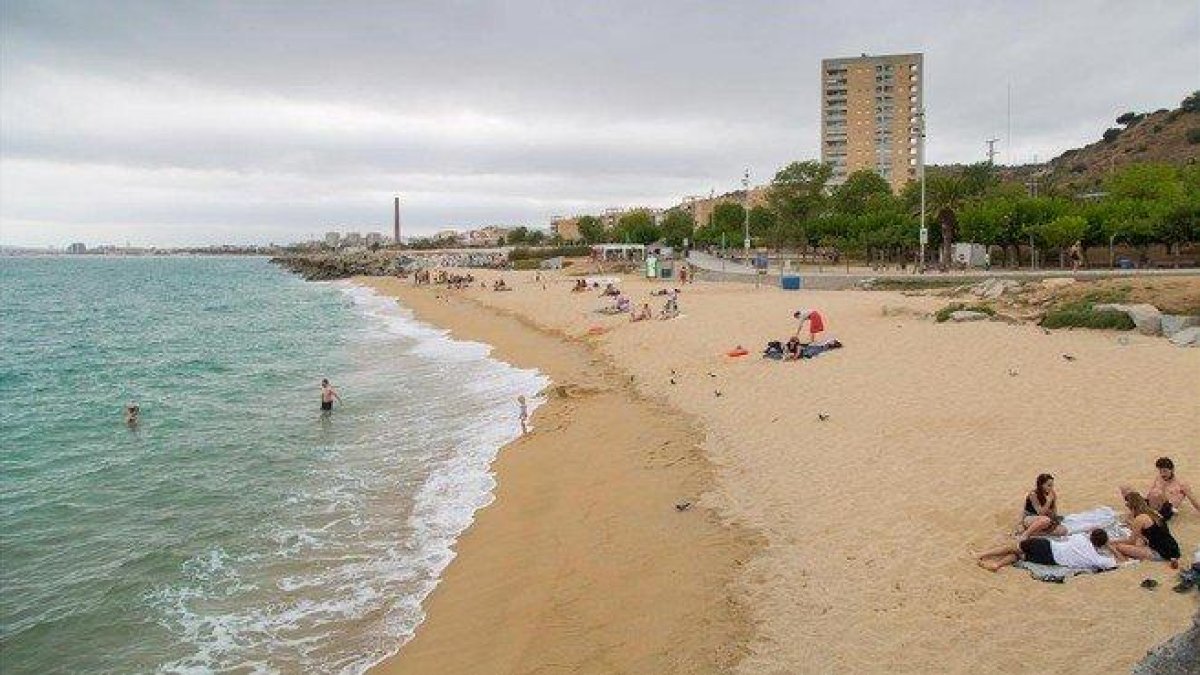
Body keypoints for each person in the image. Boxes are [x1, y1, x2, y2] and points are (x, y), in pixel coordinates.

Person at [976, 529, 1119, 572]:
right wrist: (1109, 546)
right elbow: (1120, 562)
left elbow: (1084, 532)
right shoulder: (1095, 559)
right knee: (1019, 556)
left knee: (1014, 546)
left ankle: (982, 554)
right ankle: (997, 565)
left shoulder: (1080, 538)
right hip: (1051, 561)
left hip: (1048, 546)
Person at [1112, 489, 1181, 567]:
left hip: (1160, 553)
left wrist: (1112, 542)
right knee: (1140, 539)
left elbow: (1130, 541)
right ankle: (1139, 552)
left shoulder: (1140, 518)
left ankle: (1133, 558)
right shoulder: (1154, 512)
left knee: (1120, 547)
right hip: (1173, 548)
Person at [1146, 457, 1199, 521]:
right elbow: (1149, 494)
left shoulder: (1181, 484)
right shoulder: (1158, 478)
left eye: (1165, 471)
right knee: (1133, 495)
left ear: (1172, 470)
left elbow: (1193, 501)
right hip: (1153, 506)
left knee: (1157, 492)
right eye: (1160, 471)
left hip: (1167, 510)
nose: (1162, 474)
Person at [1018, 473, 1067, 539]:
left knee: (1063, 531)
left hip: (1045, 519)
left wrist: (1054, 516)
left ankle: (1034, 533)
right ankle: (1025, 535)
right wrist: (1049, 501)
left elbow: (1054, 513)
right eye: (1049, 485)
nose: (1051, 488)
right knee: (1045, 520)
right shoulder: (1033, 495)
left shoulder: (1052, 494)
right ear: (1041, 485)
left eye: (1052, 485)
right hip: (1030, 518)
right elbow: (1040, 513)